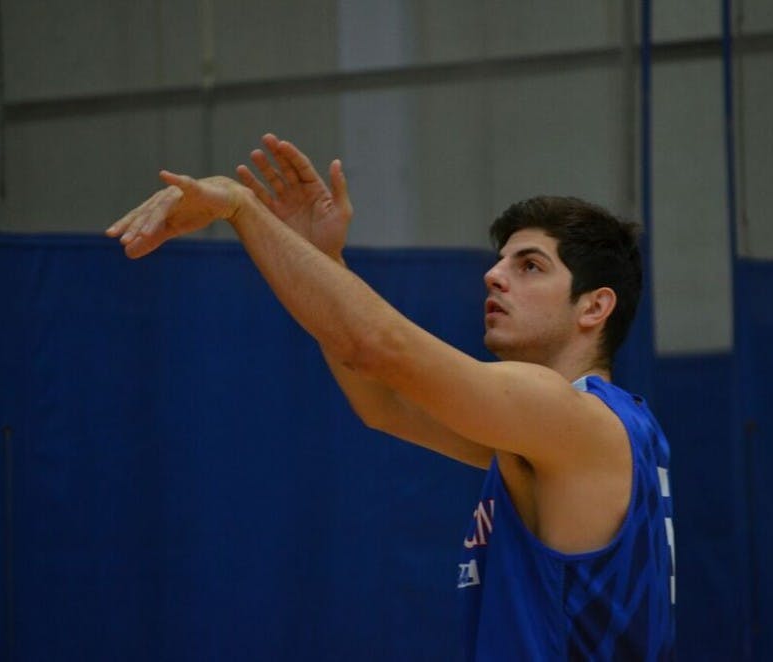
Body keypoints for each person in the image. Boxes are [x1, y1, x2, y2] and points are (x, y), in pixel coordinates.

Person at [106, 134, 676, 660]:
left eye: (529, 266)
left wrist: (240, 206)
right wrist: (320, 260)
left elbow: (377, 346)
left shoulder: (565, 415)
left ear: (595, 307)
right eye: (500, 261)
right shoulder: (572, 434)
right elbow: (382, 403)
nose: (494, 277)